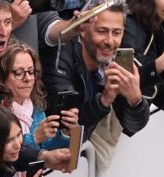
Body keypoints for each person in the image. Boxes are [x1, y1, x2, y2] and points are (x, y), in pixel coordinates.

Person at [42, 0, 150, 141]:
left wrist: (136, 100)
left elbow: (132, 127)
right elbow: (65, 124)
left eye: (117, 33)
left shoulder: (115, 64)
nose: (110, 41)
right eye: (102, 31)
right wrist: (104, 101)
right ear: (83, 30)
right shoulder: (61, 55)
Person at [0, 41, 80, 150]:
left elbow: (49, 148)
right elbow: (2, 154)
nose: (27, 79)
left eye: (31, 72)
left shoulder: (36, 107)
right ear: (2, 76)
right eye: (19, 73)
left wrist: (65, 132)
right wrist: (35, 137)